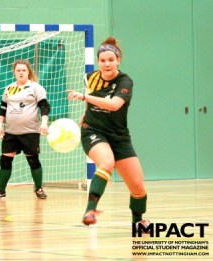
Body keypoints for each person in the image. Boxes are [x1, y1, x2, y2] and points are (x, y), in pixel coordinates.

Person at [67, 37, 149, 228]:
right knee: (106, 163)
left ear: (118, 60)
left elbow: (113, 105)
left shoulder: (125, 81)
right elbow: (92, 101)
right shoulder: (90, 77)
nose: (107, 64)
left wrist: (85, 97)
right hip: (93, 131)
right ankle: (90, 210)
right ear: (98, 62)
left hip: (119, 136)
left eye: (111, 60)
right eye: (103, 60)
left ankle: (138, 221)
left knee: (138, 188)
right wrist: (84, 115)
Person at [0, 59, 50, 199]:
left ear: (28, 72)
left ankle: (39, 189)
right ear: (14, 72)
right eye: (18, 70)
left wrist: (44, 122)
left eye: (24, 70)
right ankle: (1, 190)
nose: (21, 73)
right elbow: (3, 109)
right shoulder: (9, 88)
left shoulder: (35, 88)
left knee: (33, 160)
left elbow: (44, 106)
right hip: (11, 132)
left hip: (30, 132)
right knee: (5, 160)